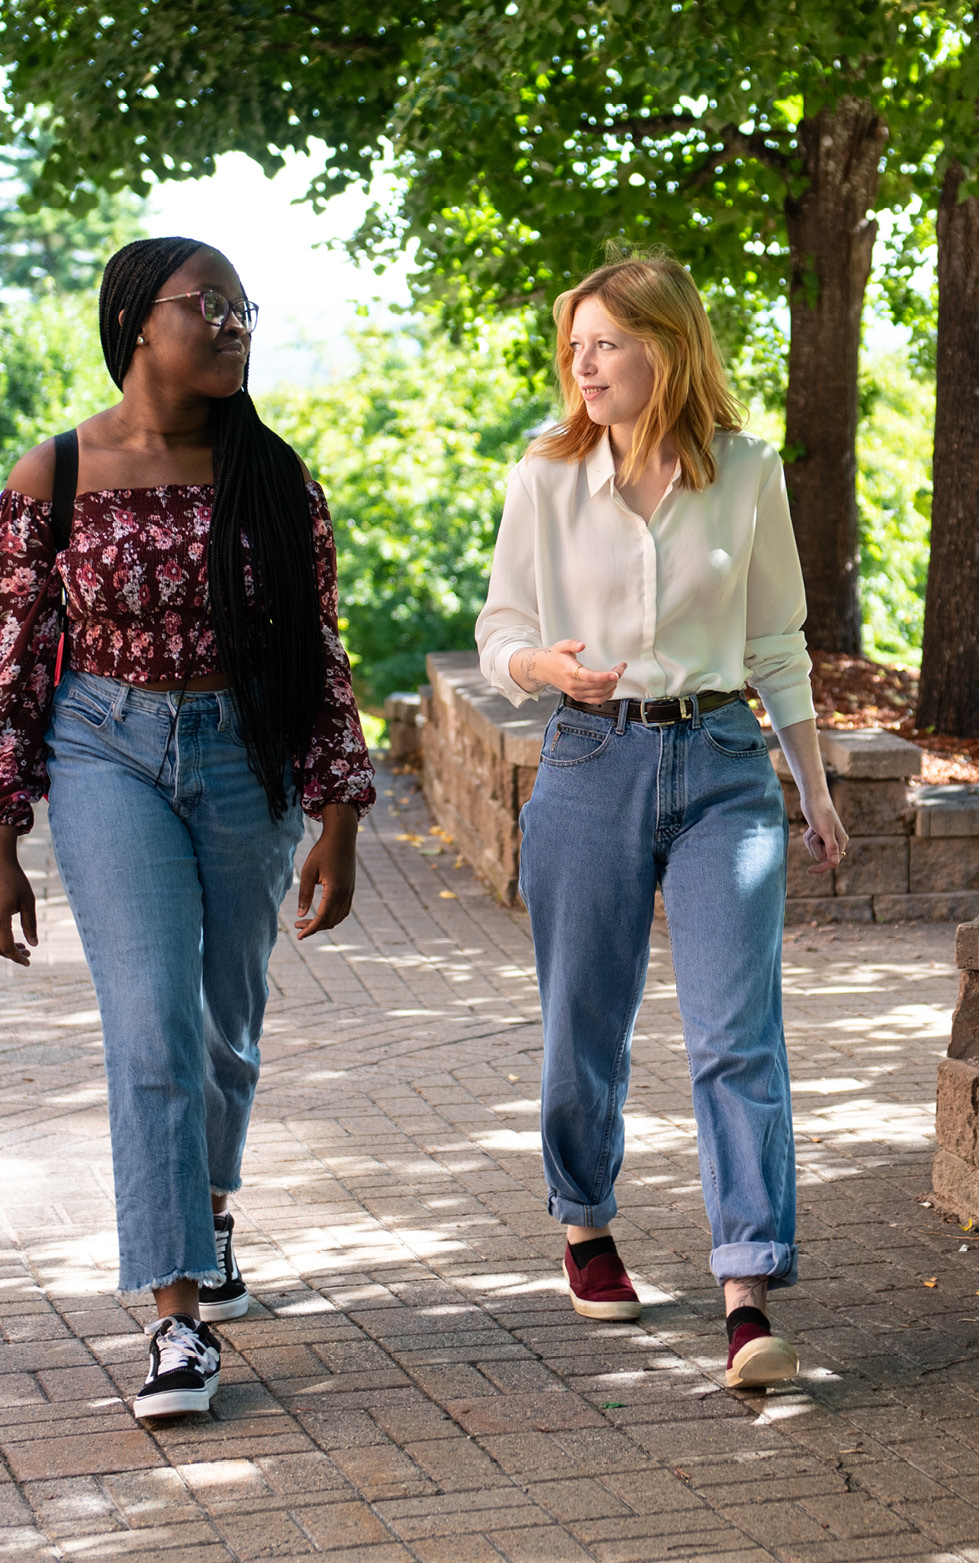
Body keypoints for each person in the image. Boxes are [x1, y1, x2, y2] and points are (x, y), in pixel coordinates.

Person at [0, 236, 374, 1418]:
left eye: (245, 306)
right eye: (211, 305)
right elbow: (5, 667)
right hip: (103, 750)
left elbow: (316, 653)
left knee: (223, 1030)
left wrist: (338, 809)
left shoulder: (276, 477)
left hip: (243, 757)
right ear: (139, 321)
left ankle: (208, 1206)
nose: (235, 323)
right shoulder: (51, 473)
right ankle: (175, 1315)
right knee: (149, 1025)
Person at [476, 252, 846, 1389]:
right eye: (574, 345)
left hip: (723, 762)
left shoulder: (744, 470)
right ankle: (584, 1222)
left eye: (607, 344)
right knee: (583, 1024)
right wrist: (541, 666)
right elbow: (499, 635)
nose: (582, 365)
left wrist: (814, 788)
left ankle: (746, 1290)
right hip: (588, 761)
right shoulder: (543, 476)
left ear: (665, 351)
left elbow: (775, 641)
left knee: (737, 1034)